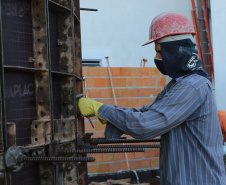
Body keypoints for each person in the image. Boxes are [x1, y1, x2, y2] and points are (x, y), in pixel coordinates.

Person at [78, 12, 226, 185]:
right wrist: (108, 112)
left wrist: (100, 109)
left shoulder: (192, 87)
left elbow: (147, 124)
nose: (157, 58)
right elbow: (147, 112)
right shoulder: (179, 84)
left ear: (174, 51)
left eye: (159, 52)